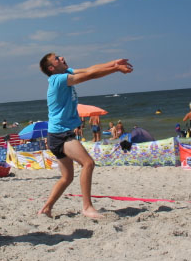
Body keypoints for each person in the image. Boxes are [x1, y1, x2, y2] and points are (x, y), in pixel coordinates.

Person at [37, 52, 133, 219]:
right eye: (57, 59)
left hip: (56, 134)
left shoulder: (66, 73)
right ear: (52, 68)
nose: (62, 58)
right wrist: (116, 69)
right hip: (61, 134)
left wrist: (113, 62)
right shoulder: (58, 80)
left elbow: (90, 69)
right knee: (88, 163)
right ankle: (87, 207)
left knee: (67, 178)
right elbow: (90, 75)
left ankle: (46, 208)